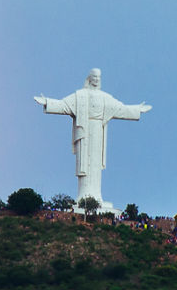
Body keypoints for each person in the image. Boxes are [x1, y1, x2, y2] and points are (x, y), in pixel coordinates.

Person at [35, 69, 151, 208]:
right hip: (84, 130)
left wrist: (137, 109)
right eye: (94, 77)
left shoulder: (105, 97)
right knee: (84, 163)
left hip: (98, 132)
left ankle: (96, 197)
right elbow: (64, 105)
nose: (96, 79)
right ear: (89, 78)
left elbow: (120, 109)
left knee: (95, 165)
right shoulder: (80, 95)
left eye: (99, 77)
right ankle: (83, 197)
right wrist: (47, 102)